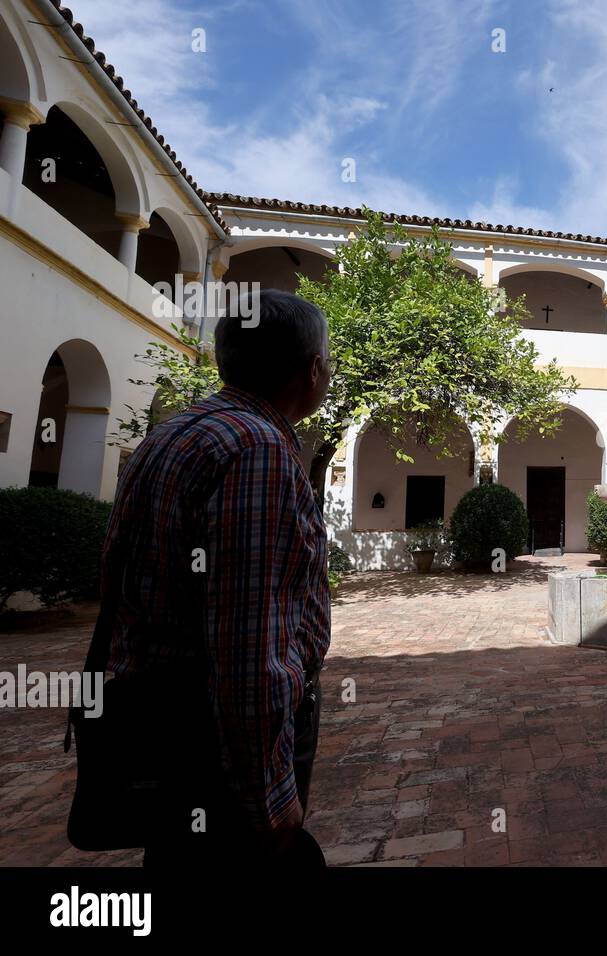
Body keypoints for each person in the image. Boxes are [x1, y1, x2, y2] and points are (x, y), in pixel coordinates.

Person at [98, 288, 332, 865]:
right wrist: (268, 797)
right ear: (311, 369)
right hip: (211, 744)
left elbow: (113, 574)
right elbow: (248, 643)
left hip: (158, 722)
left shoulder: (173, 434)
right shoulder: (258, 450)